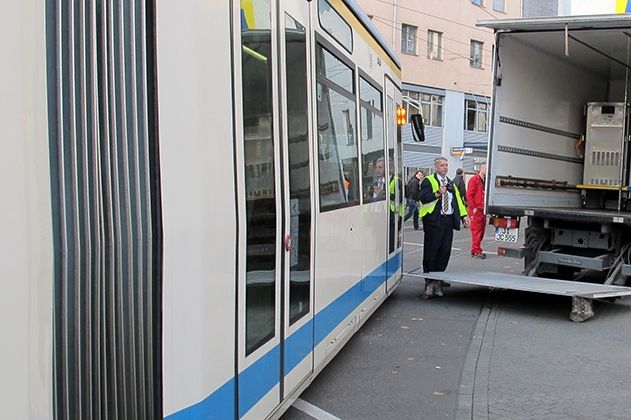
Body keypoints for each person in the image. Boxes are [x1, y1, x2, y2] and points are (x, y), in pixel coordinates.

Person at [419, 157, 469, 297]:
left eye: (446, 165)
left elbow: (458, 200)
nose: (445, 167)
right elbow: (423, 197)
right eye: (442, 165)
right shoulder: (429, 181)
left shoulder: (450, 183)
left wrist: (464, 216)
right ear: (436, 167)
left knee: (445, 251)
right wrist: (438, 193)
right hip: (434, 221)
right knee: (431, 252)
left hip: (447, 221)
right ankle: (429, 281)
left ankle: (438, 279)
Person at [467, 163, 487, 259]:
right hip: (476, 209)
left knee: (481, 231)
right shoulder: (474, 180)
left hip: (482, 209)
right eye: (486, 168)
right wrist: (473, 207)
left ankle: (475, 249)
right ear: (481, 168)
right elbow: (469, 194)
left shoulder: (484, 181)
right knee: (476, 231)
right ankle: (476, 250)